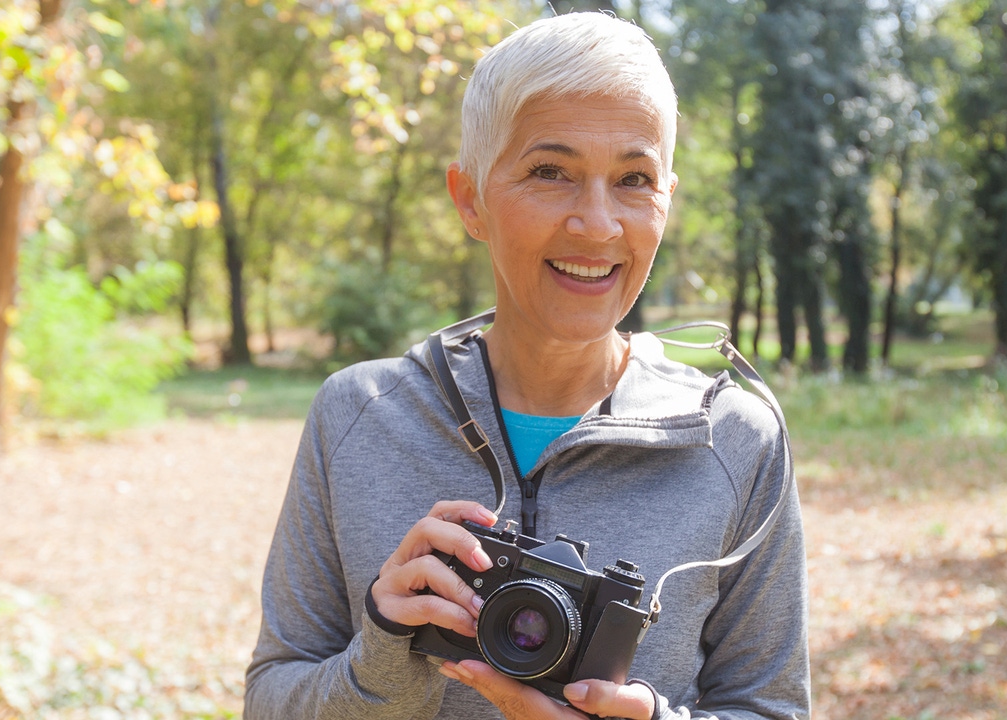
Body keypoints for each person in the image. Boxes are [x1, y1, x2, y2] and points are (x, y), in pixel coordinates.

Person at [244, 11, 810, 720]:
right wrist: (384, 651)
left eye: (634, 179)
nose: (598, 223)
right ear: (470, 198)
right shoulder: (357, 414)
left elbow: (773, 709)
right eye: (551, 171)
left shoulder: (735, 440)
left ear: (668, 196)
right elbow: (269, 699)